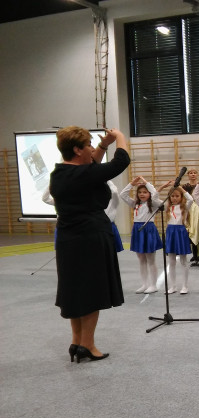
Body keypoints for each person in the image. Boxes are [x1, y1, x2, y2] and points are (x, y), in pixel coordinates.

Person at [49, 126, 129, 363]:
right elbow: (121, 161)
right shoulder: (85, 175)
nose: (92, 149)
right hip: (91, 237)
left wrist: (103, 145)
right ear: (77, 150)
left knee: (75, 291)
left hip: (68, 239)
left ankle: (76, 341)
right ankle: (88, 345)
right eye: (89, 145)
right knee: (92, 291)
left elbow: (91, 164)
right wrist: (119, 136)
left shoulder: (59, 173)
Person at [120, 176, 163, 294]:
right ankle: (145, 284)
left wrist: (146, 182)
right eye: (140, 192)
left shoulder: (153, 204)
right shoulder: (135, 204)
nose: (142, 194)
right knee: (141, 259)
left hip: (148, 230)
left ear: (149, 193)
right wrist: (131, 184)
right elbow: (123, 195)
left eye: (145, 192)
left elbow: (154, 193)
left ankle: (153, 285)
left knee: (150, 259)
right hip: (138, 230)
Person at [159, 181, 194, 294]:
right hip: (170, 232)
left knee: (183, 260)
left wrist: (180, 187)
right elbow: (154, 199)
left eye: (177, 196)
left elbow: (191, 199)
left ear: (181, 196)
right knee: (171, 261)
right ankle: (173, 286)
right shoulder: (167, 207)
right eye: (172, 196)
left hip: (180, 232)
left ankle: (185, 286)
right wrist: (162, 187)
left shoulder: (184, 207)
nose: (174, 198)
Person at [180, 169, 199, 266]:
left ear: (197, 175)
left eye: (194, 173)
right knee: (191, 231)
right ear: (188, 175)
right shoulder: (185, 187)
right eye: (191, 173)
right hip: (189, 209)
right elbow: (183, 198)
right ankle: (195, 255)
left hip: (198, 209)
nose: (193, 174)